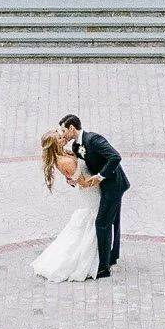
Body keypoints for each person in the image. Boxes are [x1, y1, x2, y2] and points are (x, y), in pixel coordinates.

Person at [60, 114, 128, 277]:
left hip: (113, 185)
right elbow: (83, 167)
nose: (63, 134)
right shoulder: (76, 147)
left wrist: (100, 176)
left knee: (102, 222)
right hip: (102, 187)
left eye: (64, 131)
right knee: (112, 221)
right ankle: (112, 257)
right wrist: (73, 180)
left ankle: (104, 267)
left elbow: (115, 157)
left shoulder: (94, 140)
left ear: (72, 128)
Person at [31, 129, 102, 283]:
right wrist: (103, 176)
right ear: (54, 144)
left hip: (91, 188)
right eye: (59, 137)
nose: (63, 137)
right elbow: (82, 182)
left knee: (95, 218)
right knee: (97, 217)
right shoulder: (65, 162)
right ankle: (87, 258)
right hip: (90, 191)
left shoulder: (64, 153)